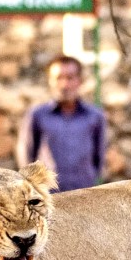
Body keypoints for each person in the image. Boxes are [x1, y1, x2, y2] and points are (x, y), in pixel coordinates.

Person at [17, 54, 107, 192]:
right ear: (50, 81)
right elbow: (26, 154)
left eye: (70, 78)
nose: (64, 85)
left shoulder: (94, 116)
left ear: (80, 80)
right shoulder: (37, 115)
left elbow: (98, 158)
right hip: (49, 195)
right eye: (58, 78)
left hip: (85, 194)